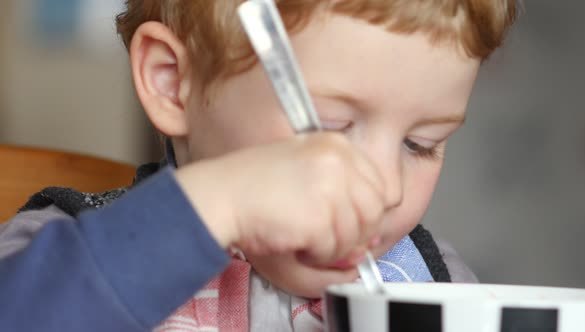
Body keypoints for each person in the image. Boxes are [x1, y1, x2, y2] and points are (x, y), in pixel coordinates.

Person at [0, 0, 517, 331]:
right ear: (172, 82)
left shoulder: (430, 284)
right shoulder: (65, 250)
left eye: (421, 143)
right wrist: (221, 202)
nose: (384, 190)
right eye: (330, 130)